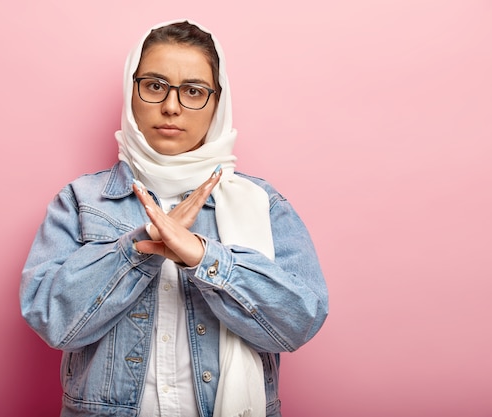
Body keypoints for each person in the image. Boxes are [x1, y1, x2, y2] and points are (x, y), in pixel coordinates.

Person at [20, 19, 328, 417]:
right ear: (131, 94)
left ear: (218, 103)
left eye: (194, 92)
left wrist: (205, 257)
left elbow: (297, 322)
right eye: (154, 86)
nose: (171, 106)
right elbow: (52, 321)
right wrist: (138, 248)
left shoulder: (262, 203)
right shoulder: (81, 200)